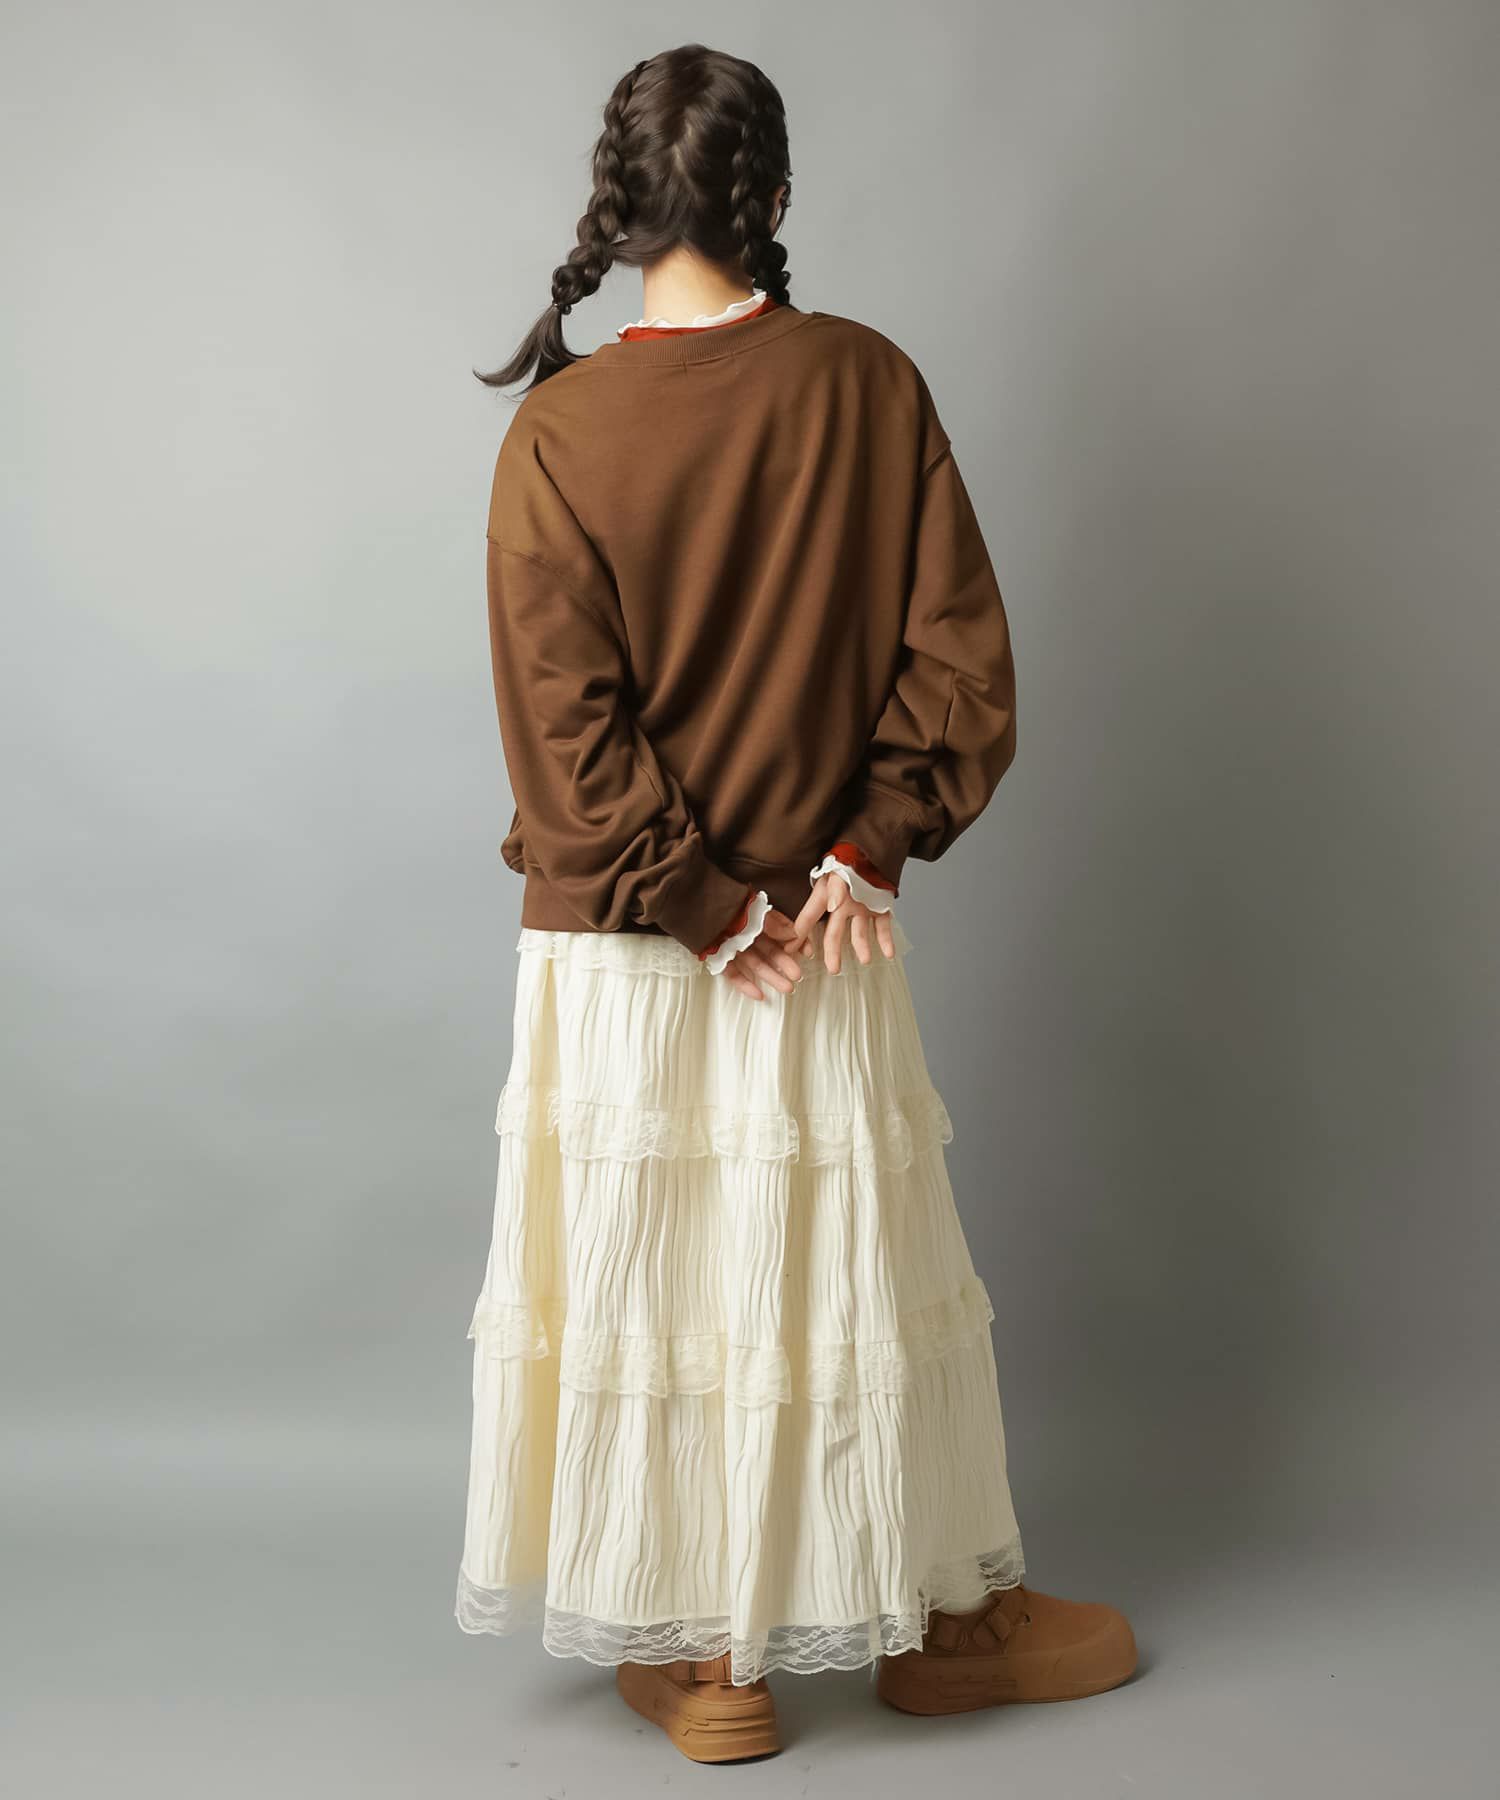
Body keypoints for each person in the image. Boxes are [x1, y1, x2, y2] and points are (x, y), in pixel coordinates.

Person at [456, 42, 1137, 1765]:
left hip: (633, 949)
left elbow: (564, 740)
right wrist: (860, 851)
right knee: (852, 1275)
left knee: (659, 1292)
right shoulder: (868, 384)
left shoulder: (555, 436)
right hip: (819, 930)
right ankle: (945, 1615)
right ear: (770, 200)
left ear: (621, 209)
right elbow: (960, 660)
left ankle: (713, 1659)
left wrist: (699, 905)